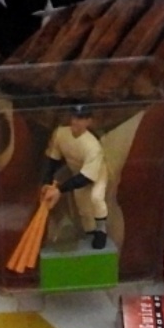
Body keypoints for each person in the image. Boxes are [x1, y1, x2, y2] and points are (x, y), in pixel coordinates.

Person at [42, 104, 110, 250]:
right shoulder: (60, 134)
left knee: (96, 197)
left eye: (81, 118)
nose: (76, 121)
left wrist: (59, 190)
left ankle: (101, 231)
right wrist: (47, 182)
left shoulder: (92, 146)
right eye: (74, 117)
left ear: (88, 121)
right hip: (77, 172)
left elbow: (86, 178)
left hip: (96, 173)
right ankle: (90, 232)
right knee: (83, 207)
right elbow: (53, 160)